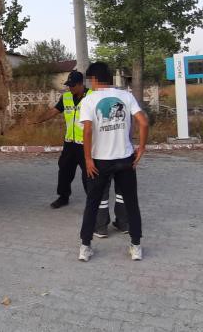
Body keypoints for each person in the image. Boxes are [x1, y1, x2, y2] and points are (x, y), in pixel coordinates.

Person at [77, 62, 149, 262]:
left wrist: (88, 159)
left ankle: (85, 247)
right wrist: (141, 148)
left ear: (93, 79)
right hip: (126, 159)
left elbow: (88, 130)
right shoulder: (126, 96)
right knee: (131, 202)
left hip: (100, 161)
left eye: (89, 80)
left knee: (92, 203)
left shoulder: (89, 100)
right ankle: (136, 247)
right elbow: (143, 122)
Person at [34, 70, 91, 208]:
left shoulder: (92, 96)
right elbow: (54, 111)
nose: (69, 88)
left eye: (72, 85)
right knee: (64, 170)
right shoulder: (66, 98)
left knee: (89, 173)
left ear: (80, 84)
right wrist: (38, 120)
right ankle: (63, 197)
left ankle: (93, 200)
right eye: (68, 85)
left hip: (86, 143)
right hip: (70, 143)